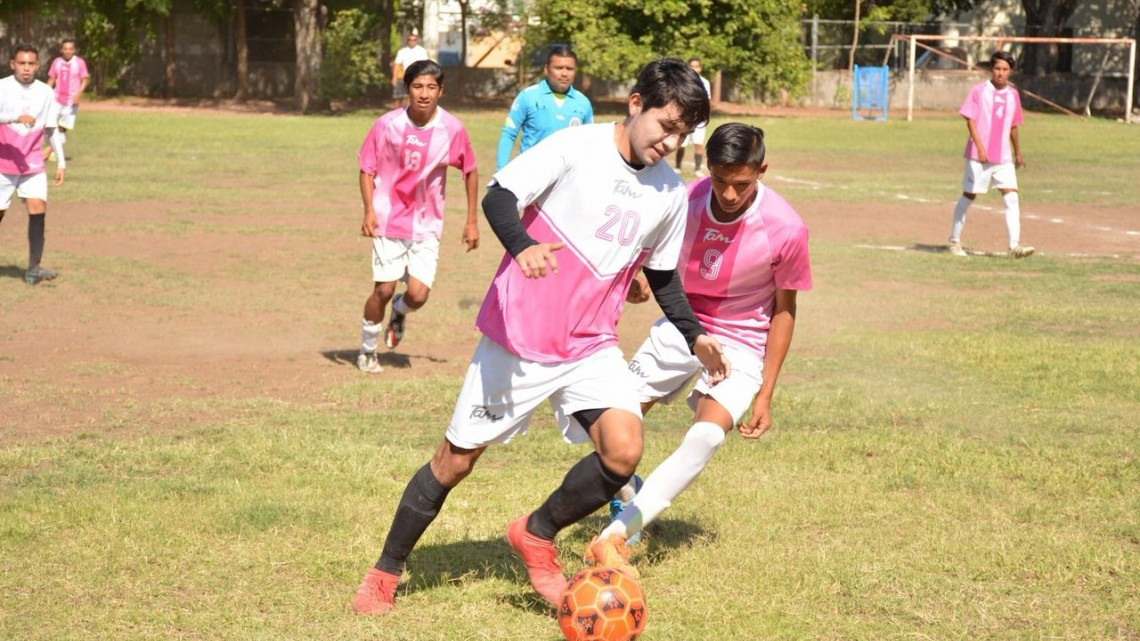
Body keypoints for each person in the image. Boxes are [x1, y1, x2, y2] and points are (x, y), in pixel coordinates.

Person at [352, 58, 730, 615]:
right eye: (665, 126)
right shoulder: (576, 147)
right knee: (455, 461)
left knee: (623, 450)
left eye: (681, 133)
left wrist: (695, 335)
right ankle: (385, 571)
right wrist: (523, 245)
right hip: (521, 334)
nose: (670, 142)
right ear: (635, 105)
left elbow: (665, 276)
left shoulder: (671, 192)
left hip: (590, 343)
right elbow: (499, 196)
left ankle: (536, 534)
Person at [587, 123, 812, 578]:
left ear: (762, 170)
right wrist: (639, 282)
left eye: (742, 183)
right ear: (706, 167)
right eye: (721, 180)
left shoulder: (786, 228)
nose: (729, 194)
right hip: (682, 324)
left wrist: (766, 392)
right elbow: (653, 259)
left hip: (742, 340)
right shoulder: (683, 201)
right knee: (608, 422)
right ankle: (628, 486)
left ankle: (617, 535)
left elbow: (785, 311)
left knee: (707, 436)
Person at [355, 60, 479, 374]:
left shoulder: (452, 128)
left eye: (431, 87)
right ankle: (367, 351)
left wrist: (471, 220)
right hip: (388, 219)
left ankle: (399, 311)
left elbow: (470, 170)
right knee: (382, 289)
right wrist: (369, 210)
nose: (424, 94)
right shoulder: (387, 124)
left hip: (427, 225)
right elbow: (367, 168)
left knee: (418, 295)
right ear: (407, 88)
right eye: (417, 86)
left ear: (441, 91)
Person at [948, 51, 1033, 259]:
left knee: (1011, 196)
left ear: (1011, 71)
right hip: (979, 157)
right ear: (991, 69)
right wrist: (980, 146)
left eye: (1005, 69)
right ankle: (954, 241)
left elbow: (1013, 125)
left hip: (1003, 157)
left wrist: (1018, 152)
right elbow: (970, 119)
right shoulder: (980, 91)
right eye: (997, 69)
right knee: (969, 195)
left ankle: (1014, 245)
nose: (1000, 73)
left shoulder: (1013, 95)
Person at [1, 44, 67, 286]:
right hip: (3, 163)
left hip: (32, 163)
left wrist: (61, 161)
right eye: (22, 63)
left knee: (38, 209)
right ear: (13, 64)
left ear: (38, 66)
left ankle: (34, 268)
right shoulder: (2, 87)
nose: (26, 68)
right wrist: (13, 118)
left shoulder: (45, 93)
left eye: (31, 64)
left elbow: (51, 128)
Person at [495, 45, 593, 171]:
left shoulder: (583, 103)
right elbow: (509, 134)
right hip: (530, 176)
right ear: (546, 69)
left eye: (569, 69)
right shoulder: (528, 96)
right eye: (558, 68)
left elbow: (588, 143)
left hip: (566, 181)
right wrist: (500, 172)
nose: (564, 73)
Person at [45, 38, 89, 157]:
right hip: (56, 98)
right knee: (49, 125)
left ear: (74, 50)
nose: (68, 51)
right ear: (61, 50)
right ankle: (53, 150)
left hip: (71, 101)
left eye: (70, 49)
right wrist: (44, 93)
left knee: (63, 127)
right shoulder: (57, 62)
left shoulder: (79, 62)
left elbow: (84, 80)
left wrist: (78, 94)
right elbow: (51, 79)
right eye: (65, 49)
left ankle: (47, 152)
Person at [673, 57, 711, 177]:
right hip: (685, 118)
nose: (694, 69)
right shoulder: (682, 81)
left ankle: (697, 168)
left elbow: (707, 100)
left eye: (697, 66)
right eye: (692, 66)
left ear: (700, 68)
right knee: (681, 143)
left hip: (698, 119)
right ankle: (678, 166)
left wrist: (706, 115)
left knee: (698, 144)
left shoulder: (705, 82)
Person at [391, 34, 429, 107]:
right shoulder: (402, 51)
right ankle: (397, 114)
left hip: (417, 77)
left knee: (411, 97)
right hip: (405, 76)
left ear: (416, 41)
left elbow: (425, 64)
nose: (412, 41)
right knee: (398, 97)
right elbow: (397, 64)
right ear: (407, 41)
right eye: (410, 40)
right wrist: (394, 77)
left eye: (414, 40)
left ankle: (408, 113)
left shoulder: (422, 51)